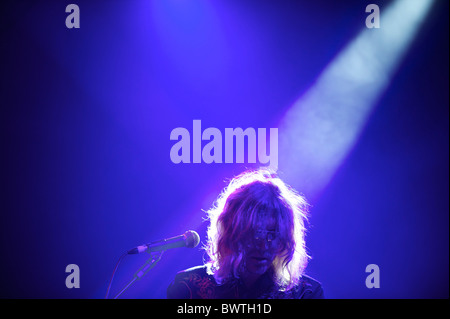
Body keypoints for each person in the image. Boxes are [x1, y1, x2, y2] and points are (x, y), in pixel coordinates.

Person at [167, 168, 324, 299]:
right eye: (255, 234)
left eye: (272, 235)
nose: (263, 246)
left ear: (284, 239)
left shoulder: (306, 294)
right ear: (230, 232)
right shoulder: (189, 286)